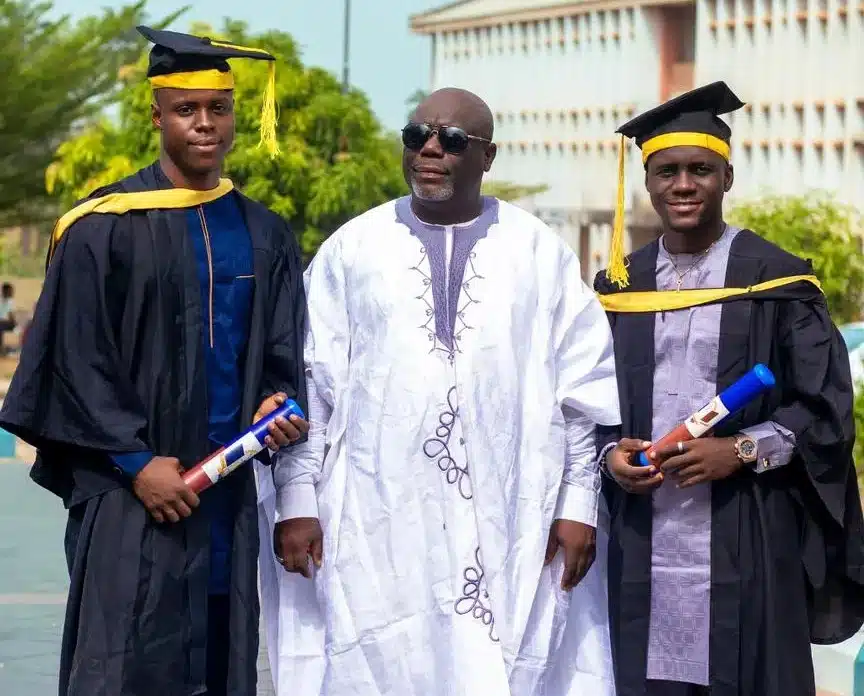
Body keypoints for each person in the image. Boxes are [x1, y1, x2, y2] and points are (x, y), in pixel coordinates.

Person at [256, 87, 621, 696]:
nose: (429, 149)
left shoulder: (539, 253)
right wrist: (297, 499)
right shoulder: (353, 249)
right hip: (374, 518)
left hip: (514, 515)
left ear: (487, 156)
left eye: (452, 140)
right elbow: (310, 384)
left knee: (505, 660)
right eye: (416, 135)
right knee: (378, 659)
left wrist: (578, 505)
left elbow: (580, 393)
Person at [0, 26, 308, 696]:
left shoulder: (264, 234)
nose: (205, 124)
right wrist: (137, 464)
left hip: (225, 500)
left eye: (218, 109)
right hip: (130, 503)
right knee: (123, 666)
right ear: (156, 115)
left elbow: (285, 356)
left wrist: (276, 403)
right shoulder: (100, 227)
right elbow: (71, 361)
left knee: (222, 662)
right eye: (186, 109)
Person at [593, 81, 864, 696]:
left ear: (728, 177)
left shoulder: (776, 280)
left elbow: (824, 408)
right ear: (648, 182)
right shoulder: (617, 284)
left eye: (700, 170)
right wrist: (610, 455)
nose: (683, 185)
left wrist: (740, 450)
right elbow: (585, 401)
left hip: (747, 526)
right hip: (640, 532)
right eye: (667, 171)